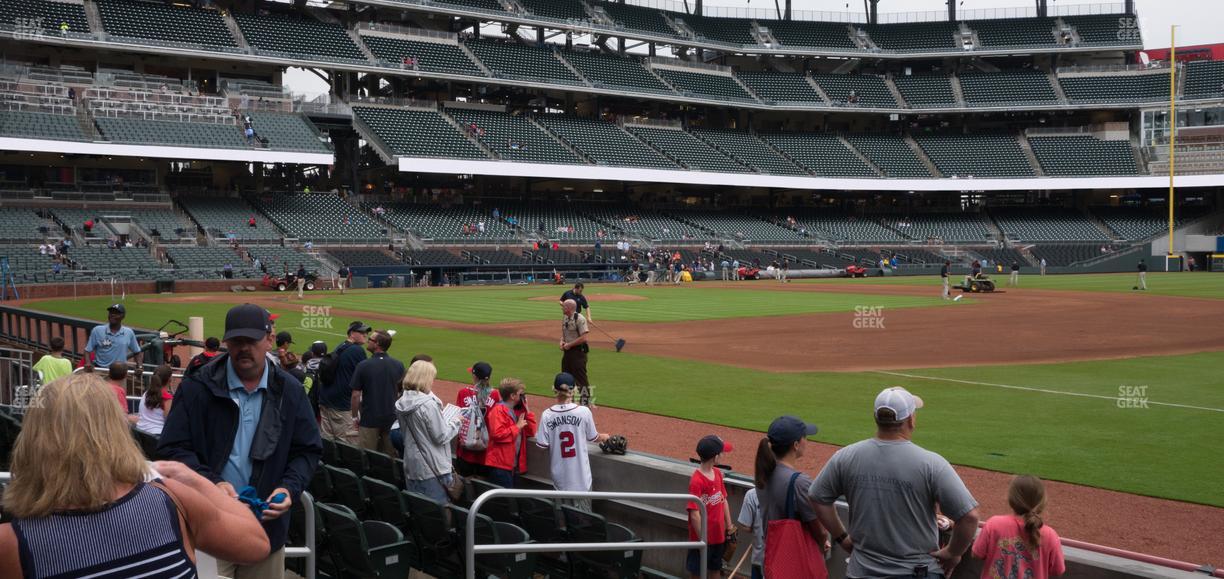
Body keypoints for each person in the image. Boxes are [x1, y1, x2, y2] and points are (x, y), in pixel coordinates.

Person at [0, 374, 272, 578]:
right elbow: (256, 544)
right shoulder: (171, 500)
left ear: (32, 439)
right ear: (115, 432)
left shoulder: (11, 543)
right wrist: (194, 479)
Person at [158, 303, 322, 579]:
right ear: (227, 342)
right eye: (236, 341)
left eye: (251, 340)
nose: (244, 348)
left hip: (265, 529)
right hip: (208, 527)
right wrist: (211, 483)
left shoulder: (290, 391)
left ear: (269, 340)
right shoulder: (198, 387)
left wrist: (288, 488)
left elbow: (307, 451)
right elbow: (173, 448)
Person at [808, 387, 981, 579]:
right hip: (916, 572)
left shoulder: (846, 456)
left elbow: (817, 497)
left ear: (876, 418)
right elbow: (970, 517)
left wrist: (842, 538)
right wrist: (953, 552)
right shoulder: (931, 463)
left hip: (862, 572)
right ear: (911, 420)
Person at [754, 415, 826, 574]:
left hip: (773, 559)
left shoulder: (763, 474)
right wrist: (823, 544)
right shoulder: (800, 482)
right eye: (804, 437)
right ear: (796, 445)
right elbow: (820, 531)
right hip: (797, 562)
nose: (807, 441)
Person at [536, 372, 609, 511]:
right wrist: (604, 436)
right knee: (583, 520)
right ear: (574, 390)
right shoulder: (583, 412)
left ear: (554, 390)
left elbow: (542, 445)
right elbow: (593, 437)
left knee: (562, 519)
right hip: (582, 481)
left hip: (560, 481)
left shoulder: (547, 415)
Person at [972, 475, 1066, 579]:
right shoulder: (1050, 535)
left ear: (1011, 499)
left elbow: (977, 553)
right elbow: (1057, 570)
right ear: (1042, 502)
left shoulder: (994, 524)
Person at [396, 360, 462, 503]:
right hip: (432, 466)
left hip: (411, 463)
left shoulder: (401, 401)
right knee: (438, 510)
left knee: (418, 507)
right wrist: (456, 422)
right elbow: (441, 436)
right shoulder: (429, 404)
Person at [686, 435, 734, 579]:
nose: (723, 455)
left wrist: (729, 526)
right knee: (697, 572)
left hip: (718, 535)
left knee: (715, 569)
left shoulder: (718, 474)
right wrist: (703, 539)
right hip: (701, 539)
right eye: (721, 453)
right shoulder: (697, 481)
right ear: (715, 457)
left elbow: (723, 500)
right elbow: (694, 514)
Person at [350, 330, 404, 455]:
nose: (367, 341)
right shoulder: (398, 365)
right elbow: (401, 393)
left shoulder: (363, 365)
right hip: (391, 419)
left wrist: (354, 416)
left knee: (366, 457)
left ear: (377, 344)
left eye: (370, 339)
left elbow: (355, 395)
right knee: (390, 459)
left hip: (369, 419)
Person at [319, 321, 370, 443]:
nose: (365, 335)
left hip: (326, 399)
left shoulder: (341, 346)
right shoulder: (357, 350)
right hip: (341, 405)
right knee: (348, 444)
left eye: (366, 332)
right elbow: (366, 376)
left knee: (328, 442)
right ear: (352, 333)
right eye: (361, 332)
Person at [484, 377, 536, 488]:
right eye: (521, 394)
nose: (523, 397)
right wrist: (517, 427)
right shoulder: (498, 411)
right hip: (499, 466)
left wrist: (527, 409)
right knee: (505, 498)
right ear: (512, 396)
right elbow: (497, 434)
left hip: (513, 466)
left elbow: (531, 432)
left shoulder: (517, 411)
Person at [455, 362, 501, 478]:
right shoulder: (495, 394)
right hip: (486, 451)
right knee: (483, 484)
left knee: (464, 482)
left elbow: (458, 418)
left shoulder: (463, 393)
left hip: (466, 450)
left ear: (474, 376)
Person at [84, 303, 142, 372]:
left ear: (123, 316)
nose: (112, 315)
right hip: (101, 371)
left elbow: (137, 352)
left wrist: (140, 366)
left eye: (116, 313)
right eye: (111, 312)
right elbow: (87, 350)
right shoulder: (97, 330)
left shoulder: (129, 332)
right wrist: (88, 363)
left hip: (120, 372)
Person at [560, 299, 592, 407]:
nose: (562, 307)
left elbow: (584, 338)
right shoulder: (565, 318)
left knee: (581, 381)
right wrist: (562, 342)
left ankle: (585, 405)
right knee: (565, 378)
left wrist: (569, 344)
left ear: (569, 308)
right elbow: (564, 334)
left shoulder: (580, 319)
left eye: (564, 306)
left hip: (578, 353)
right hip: (567, 353)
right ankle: (569, 403)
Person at [136, 364, 174, 436]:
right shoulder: (167, 398)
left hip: (141, 433)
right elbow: (170, 421)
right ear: (170, 379)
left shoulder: (146, 393)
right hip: (157, 436)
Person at [737, 487, 766, 579]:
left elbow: (745, 526)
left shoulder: (752, 494)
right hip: (781, 559)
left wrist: (757, 528)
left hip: (759, 558)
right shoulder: (788, 491)